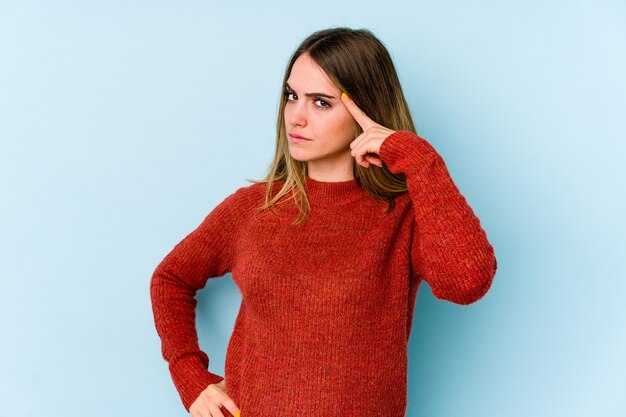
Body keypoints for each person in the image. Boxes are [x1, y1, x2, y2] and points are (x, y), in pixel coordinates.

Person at [150, 26, 497, 417]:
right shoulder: (252, 209)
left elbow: (466, 283)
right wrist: (190, 377)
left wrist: (418, 160)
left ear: (365, 111)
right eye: (291, 96)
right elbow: (170, 279)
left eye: (321, 102)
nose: (296, 117)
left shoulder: (403, 214)